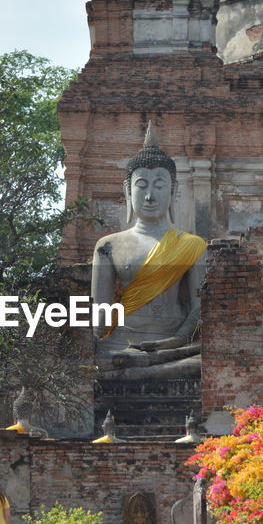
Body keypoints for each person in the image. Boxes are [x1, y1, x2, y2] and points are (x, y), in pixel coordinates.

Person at [91, 122, 206, 380]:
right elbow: (101, 309)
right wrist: (92, 343)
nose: (150, 196)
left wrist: (173, 342)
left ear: (174, 190)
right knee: (91, 369)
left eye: (160, 185)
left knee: (202, 363)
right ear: (127, 191)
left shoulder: (193, 245)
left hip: (176, 349)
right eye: (141, 185)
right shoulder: (108, 245)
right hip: (121, 346)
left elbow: (198, 308)